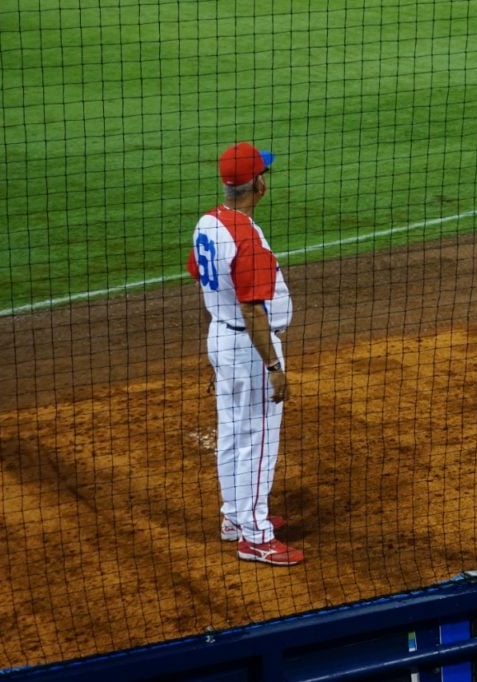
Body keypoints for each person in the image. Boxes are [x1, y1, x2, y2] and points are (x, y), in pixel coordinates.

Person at [186, 141, 303, 566]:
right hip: (251, 347)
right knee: (258, 439)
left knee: (233, 432)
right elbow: (253, 309)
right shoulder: (246, 237)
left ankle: (234, 517)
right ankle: (255, 535)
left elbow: (201, 274)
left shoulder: (209, 222)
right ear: (260, 186)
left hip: (221, 337)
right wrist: (273, 365)